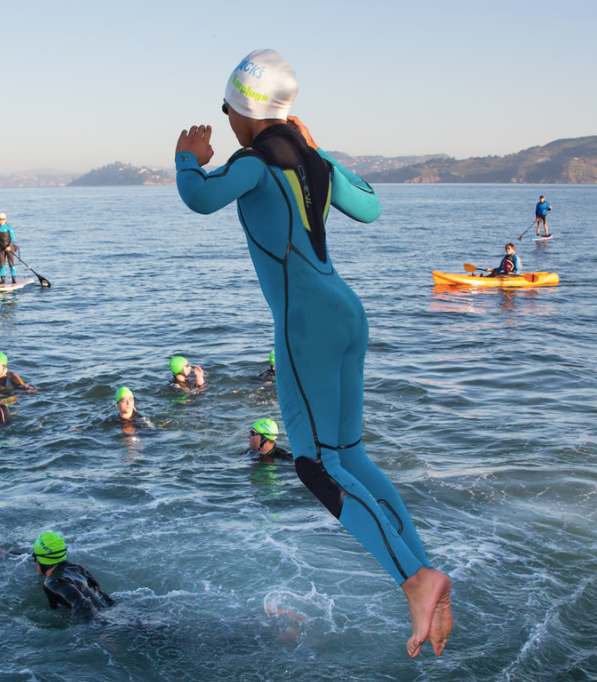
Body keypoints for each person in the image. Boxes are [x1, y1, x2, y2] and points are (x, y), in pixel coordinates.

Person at [174, 49, 452, 657]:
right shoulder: (316, 163)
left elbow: (198, 197)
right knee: (350, 455)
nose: (225, 122)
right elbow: (372, 206)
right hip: (349, 310)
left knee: (314, 466)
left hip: (305, 321)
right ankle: (424, 573)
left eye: (227, 110)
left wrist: (187, 159)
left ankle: (414, 581)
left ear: (243, 109)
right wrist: (321, 151)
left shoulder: (250, 161)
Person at [32, 531, 115, 621]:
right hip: (114, 616)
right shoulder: (80, 568)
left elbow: (84, 606)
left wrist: (102, 633)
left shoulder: (53, 583)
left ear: (38, 559)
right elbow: (107, 601)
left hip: (103, 627)